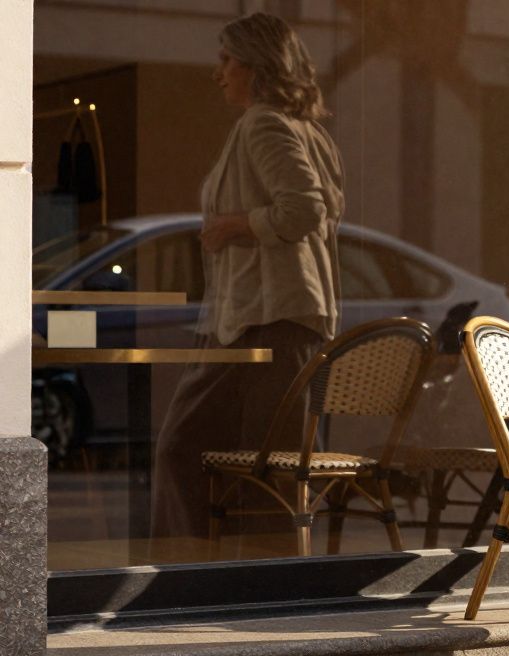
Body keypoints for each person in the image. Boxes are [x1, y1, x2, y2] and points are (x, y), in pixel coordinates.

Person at [150, 12, 344, 560]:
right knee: (266, 460)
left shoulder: (263, 124)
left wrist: (236, 225)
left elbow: (303, 209)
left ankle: (183, 579)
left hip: (263, 319)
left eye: (226, 60)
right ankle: (261, 584)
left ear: (256, 66)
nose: (219, 73)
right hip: (282, 317)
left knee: (185, 448)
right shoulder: (311, 133)